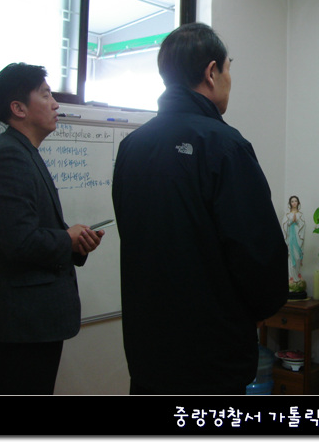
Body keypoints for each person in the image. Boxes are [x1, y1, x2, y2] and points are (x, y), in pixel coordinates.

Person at [112, 23, 288, 395]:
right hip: (211, 358)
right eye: (228, 68)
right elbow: (257, 252)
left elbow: (133, 234)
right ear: (211, 72)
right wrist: (262, 308)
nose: (229, 79)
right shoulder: (225, 146)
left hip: (147, 351)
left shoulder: (132, 147)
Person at [0, 62, 105, 395]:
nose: (56, 104)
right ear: (19, 108)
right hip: (20, 324)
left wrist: (75, 242)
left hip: (29, 321)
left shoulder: (24, 152)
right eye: (45, 95)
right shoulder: (9, 157)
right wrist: (67, 239)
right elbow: (19, 242)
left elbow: (30, 229)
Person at [282, 196, 307, 299]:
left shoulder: (301, 214)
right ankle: (292, 278)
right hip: (290, 239)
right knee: (291, 257)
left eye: (295, 201)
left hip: (297, 237)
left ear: (298, 202)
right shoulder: (287, 215)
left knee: (297, 257)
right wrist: (291, 221)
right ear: (290, 203)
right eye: (292, 201)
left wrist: (297, 221)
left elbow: (303, 226)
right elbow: (284, 225)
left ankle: (297, 277)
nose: (294, 203)